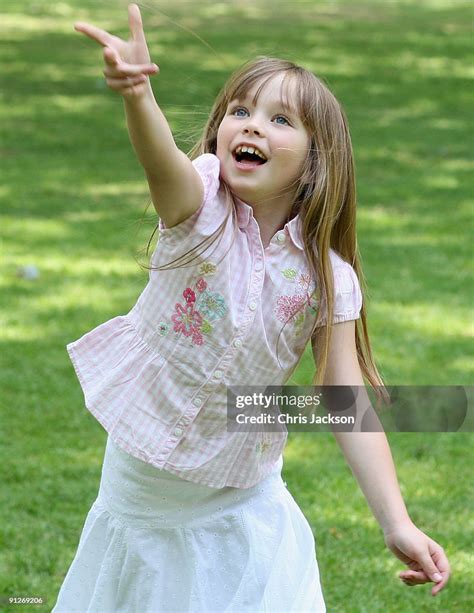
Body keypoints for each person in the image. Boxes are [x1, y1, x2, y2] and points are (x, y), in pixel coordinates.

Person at [53, 4, 450, 611]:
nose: (252, 126)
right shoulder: (199, 209)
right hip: (144, 496)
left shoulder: (326, 276)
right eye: (240, 111)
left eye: (279, 118)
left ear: (316, 160)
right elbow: (161, 165)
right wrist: (137, 96)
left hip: (243, 500)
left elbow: (343, 397)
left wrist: (396, 523)